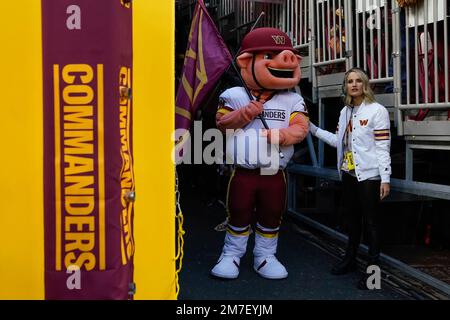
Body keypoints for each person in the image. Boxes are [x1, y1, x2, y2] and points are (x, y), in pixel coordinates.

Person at [210, 27, 309, 280]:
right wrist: (245, 113)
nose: (285, 60)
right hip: (244, 171)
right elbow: (221, 123)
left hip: (274, 172)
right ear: (245, 62)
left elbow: (301, 128)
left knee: (272, 213)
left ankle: (265, 256)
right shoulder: (233, 95)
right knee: (239, 210)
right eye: (269, 55)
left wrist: (282, 136)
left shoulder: (292, 99)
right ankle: (231, 254)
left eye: (287, 55)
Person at [309, 67, 391, 289]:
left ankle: (373, 275)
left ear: (365, 84)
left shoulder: (377, 110)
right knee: (352, 220)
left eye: (358, 81)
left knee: (371, 224)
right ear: (345, 86)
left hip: (370, 176)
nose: (354, 84)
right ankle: (350, 260)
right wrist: (313, 129)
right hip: (348, 174)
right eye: (349, 81)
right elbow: (338, 141)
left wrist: (385, 178)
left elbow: (383, 147)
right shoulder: (345, 112)